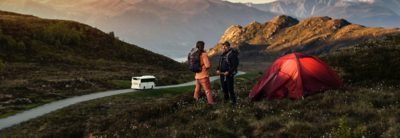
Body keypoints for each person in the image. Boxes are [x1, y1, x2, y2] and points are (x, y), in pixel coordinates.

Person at [193, 41, 215, 105]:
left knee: (197, 89)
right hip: (204, 76)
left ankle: (195, 99)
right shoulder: (203, 54)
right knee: (208, 90)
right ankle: (211, 103)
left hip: (197, 76)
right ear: (202, 46)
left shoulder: (194, 54)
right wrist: (207, 66)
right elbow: (207, 65)